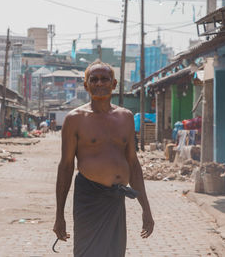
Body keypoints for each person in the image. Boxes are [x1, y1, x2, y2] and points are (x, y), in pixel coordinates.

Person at [53, 60, 154, 256]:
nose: (99, 83)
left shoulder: (125, 117)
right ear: (86, 85)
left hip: (115, 200)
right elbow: (65, 166)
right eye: (94, 79)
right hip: (88, 198)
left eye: (104, 79)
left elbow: (133, 164)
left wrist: (146, 209)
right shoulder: (75, 119)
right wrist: (59, 215)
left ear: (114, 84)